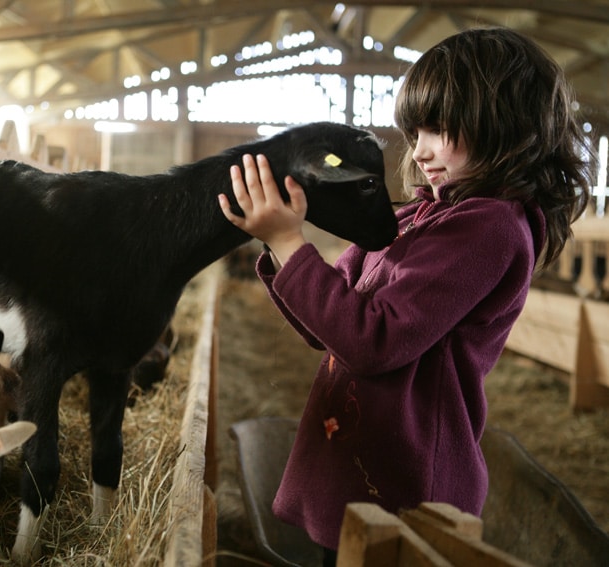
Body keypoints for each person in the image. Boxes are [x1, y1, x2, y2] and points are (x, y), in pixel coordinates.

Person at [218, 27, 593, 566]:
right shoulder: (418, 217)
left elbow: (372, 340)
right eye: (415, 132)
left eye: (438, 129)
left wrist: (287, 242)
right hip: (360, 462)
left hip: (403, 487)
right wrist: (279, 244)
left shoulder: (488, 227)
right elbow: (329, 321)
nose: (419, 152)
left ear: (505, 125)